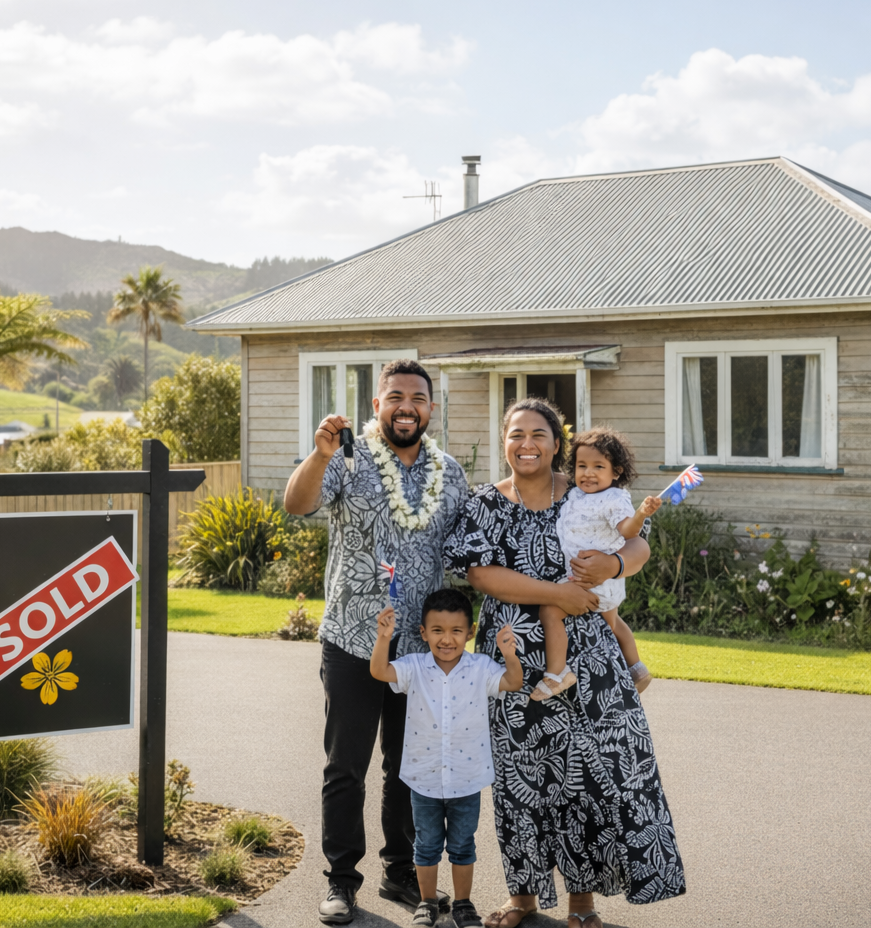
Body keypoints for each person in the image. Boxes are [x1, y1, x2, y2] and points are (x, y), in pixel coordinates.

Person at [444, 397, 686, 928]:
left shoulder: (586, 490)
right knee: (520, 777)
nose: (526, 444)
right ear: (504, 441)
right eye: (516, 434)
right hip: (514, 661)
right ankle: (523, 898)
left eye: (538, 434)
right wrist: (557, 593)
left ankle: (582, 903)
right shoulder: (484, 503)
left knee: (588, 778)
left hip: (591, 661)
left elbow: (638, 545)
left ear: (557, 443)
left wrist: (615, 564)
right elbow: (479, 574)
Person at [285, 358, 471, 926]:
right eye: (395, 397)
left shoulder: (450, 473)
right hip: (352, 638)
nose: (406, 407)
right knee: (346, 767)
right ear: (377, 405)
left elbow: (468, 552)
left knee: (406, 767)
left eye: (417, 398)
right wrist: (319, 454)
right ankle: (341, 881)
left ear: (430, 409)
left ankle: (401, 874)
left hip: (419, 652)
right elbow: (297, 504)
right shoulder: (347, 458)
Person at [370, 588, 524, 928]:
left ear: (470, 632)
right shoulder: (414, 666)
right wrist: (383, 638)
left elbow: (513, 681)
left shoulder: (481, 668)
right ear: (423, 632)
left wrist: (509, 654)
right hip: (424, 778)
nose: (446, 639)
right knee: (425, 846)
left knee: (462, 845)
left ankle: (463, 905)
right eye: (437, 630)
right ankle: (427, 903)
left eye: (456, 631)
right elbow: (380, 671)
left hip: (466, 778)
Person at [535, 427, 661, 701]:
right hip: (599, 577)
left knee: (550, 612)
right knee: (612, 623)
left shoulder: (613, 499)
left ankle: (557, 672)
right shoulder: (578, 494)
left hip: (594, 578)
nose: (588, 473)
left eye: (598, 466)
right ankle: (637, 668)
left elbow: (628, 531)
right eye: (582, 465)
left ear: (616, 472)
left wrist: (640, 515)